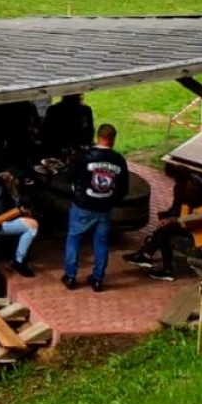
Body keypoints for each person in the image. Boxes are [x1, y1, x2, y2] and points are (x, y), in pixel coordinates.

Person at [62, 123, 129, 291]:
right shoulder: (118, 160)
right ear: (113, 140)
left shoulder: (84, 156)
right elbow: (123, 189)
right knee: (101, 243)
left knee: (74, 239)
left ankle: (71, 276)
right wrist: (111, 200)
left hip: (82, 206)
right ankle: (98, 279)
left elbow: (69, 176)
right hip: (104, 208)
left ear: (98, 137)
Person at [127, 164, 202, 281]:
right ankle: (153, 259)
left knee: (164, 232)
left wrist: (170, 219)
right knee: (164, 232)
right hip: (194, 225)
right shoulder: (194, 182)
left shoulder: (188, 191)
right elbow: (179, 212)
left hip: (200, 236)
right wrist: (168, 216)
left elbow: (186, 219)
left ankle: (149, 256)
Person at [0, 169, 39, 276]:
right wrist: (20, 210)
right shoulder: (0, 188)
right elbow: (4, 213)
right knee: (32, 226)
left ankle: (17, 254)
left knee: (27, 219)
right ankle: (19, 261)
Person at [41, 93, 95, 157]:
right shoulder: (54, 110)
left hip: (80, 149)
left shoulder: (85, 110)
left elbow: (90, 131)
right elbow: (48, 134)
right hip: (59, 150)